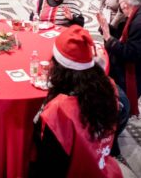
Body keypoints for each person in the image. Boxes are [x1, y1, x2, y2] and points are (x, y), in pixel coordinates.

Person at [30, 25, 121, 177]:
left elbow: (48, 166)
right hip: (102, 168)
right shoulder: (109, 87)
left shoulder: (60, 110)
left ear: (59, 67)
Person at [97, 0, 141, 117]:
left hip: (137, 73)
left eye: (120, 5)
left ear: (125, 4)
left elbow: (129, 54)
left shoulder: (140, 24)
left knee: (98, 75)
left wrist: (109, 39)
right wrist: (106, 30)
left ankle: (109, 115)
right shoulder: (136, 15)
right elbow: (122, 38)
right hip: (134, 63)